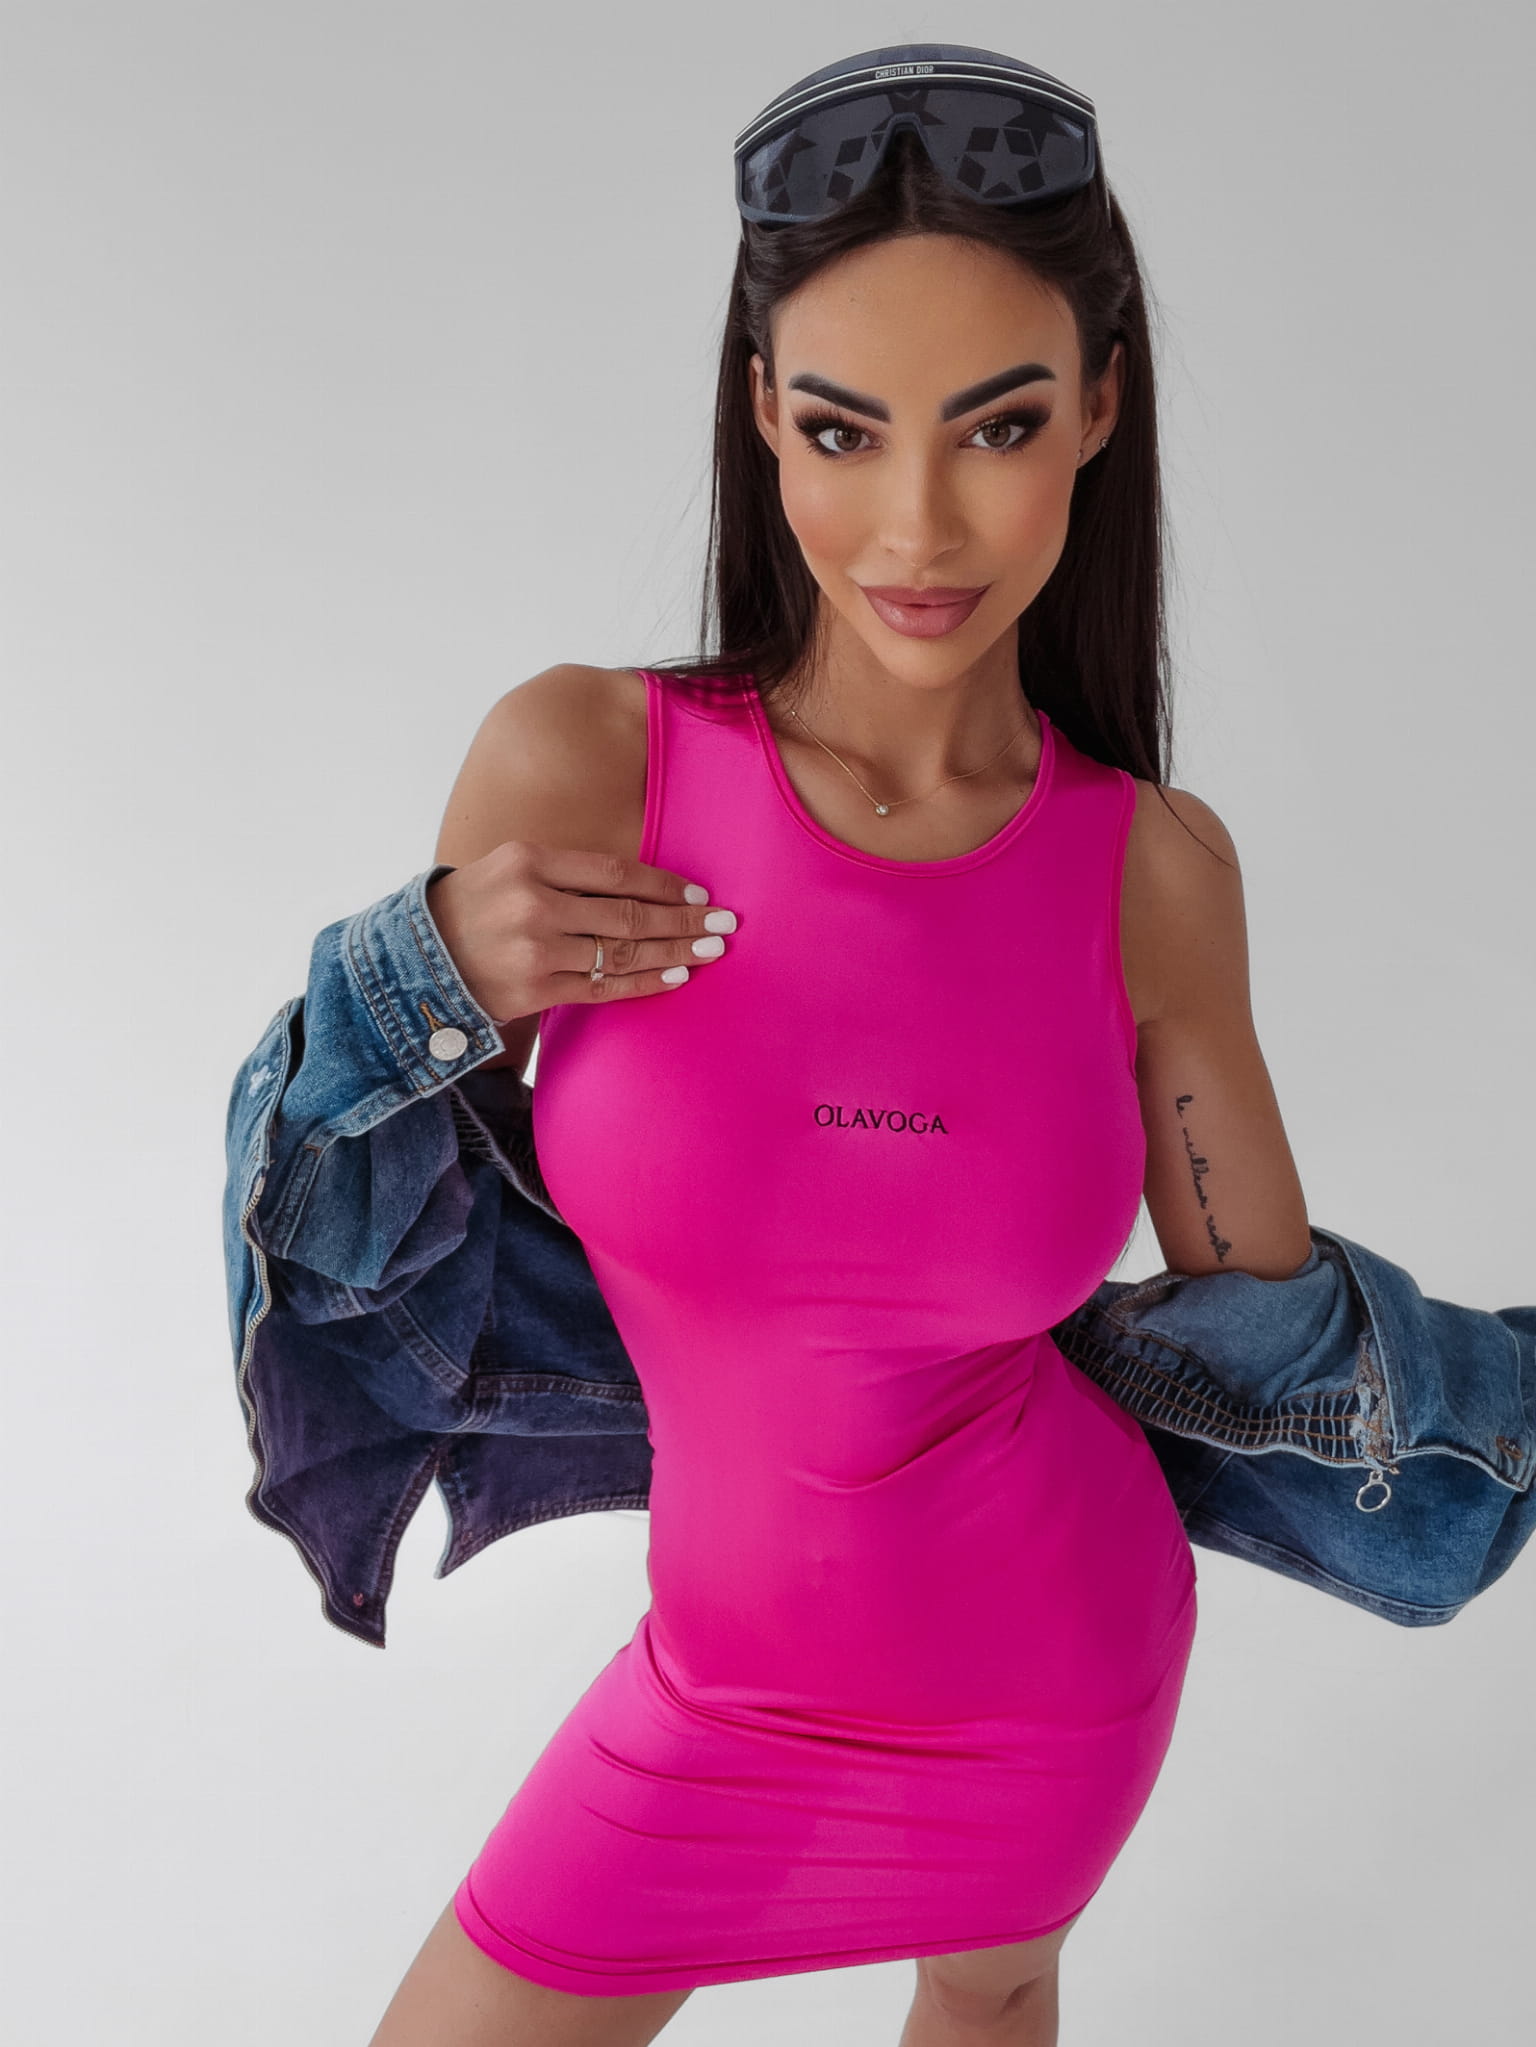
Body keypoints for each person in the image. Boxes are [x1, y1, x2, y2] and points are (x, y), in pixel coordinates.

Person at [366, 42, 1311, 2047]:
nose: (916, 525)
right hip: (708, 1685)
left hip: (1049, 1669)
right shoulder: (583, 765)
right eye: (841, 430)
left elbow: (1268, 1328)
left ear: (1101, 409)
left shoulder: (1150, 871)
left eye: (999, 426)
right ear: (760, 417)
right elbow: (370, 1221)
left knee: (987, 2002)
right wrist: (418, 973)